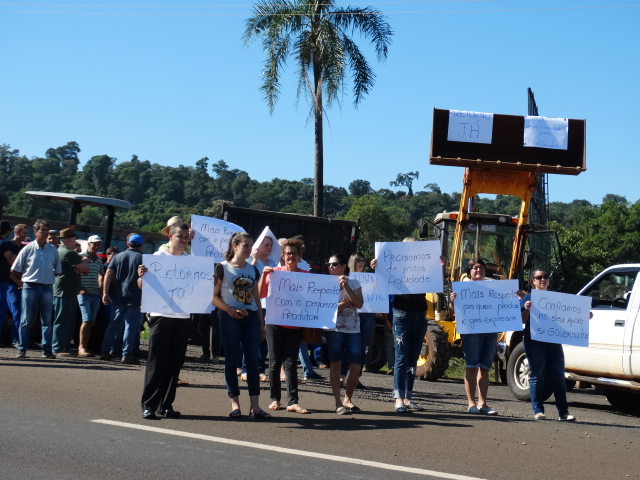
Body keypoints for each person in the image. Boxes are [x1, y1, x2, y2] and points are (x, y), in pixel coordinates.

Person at [140, 221, 193, 419]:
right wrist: (140, 276)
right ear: (170, 237)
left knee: (175, 363)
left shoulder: (191, 261)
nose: (184, 240)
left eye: (187, 237)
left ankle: (166, 404)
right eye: (180, 236)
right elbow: (141, 285)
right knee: (156, 362)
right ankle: (149, 405)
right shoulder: (157, 258)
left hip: (183, 316)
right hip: (161, 316)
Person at [213, 232, 269, 419]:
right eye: (246, 245)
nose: (249, 249)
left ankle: (256, 406)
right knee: (232, 359)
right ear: (235, 246)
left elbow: (256, 298)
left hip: (251, 317)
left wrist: (261, 324)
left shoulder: (253, 270)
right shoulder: (222, 268)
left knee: (253, 361)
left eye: (251, 246)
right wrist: (229, 310)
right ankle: (235, 404)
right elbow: (213, 297)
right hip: (229, 317)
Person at [259, 238, 309, 414]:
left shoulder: (306, 275)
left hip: (294, 325)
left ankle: (293, 401)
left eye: (294, 253)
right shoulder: (274, 273)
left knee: (290, 364)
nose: (291, 256)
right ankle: (275, 399)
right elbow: (260, 294)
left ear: (299, 256)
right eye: (288, 253)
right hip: (274, 323)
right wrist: (264, 275)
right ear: (283, 255)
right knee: (274, 362)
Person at [521, 268, 576, 422]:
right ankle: (538, 410)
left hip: (553, 343)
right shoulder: (528, 298)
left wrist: (584, 316)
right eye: (539, 277)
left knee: (558, 377)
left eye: (545, 277)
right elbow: (521, 321)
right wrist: (526, 310)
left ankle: (563, 413)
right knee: (538, 376)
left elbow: (568, 316)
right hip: (534, 343)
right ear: (533, 280)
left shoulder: (556, 299)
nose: (543, 279)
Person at [449, 258, 498, 415]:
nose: (479, 270)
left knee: (485, 367)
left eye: (481, 268)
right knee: (472, 365)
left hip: (490, 331)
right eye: (475, 268)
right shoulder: (462, 289)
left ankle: (483, 403)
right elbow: (452, 312)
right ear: (469, 271)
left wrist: (515, 297)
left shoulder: (493, 288)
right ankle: (471, 403)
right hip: (471, 331)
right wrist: (452, 302)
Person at [11, 219, 61, 359]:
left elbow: (57, 270)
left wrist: (46, 276)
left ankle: (47, 350)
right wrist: (26, 278)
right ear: (35, 232)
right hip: (30, 286)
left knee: (47, 320)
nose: (45, 233)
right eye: (42, 230)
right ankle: (22, 349)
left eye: (46, 230)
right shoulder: (27, 249)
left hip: (46, 287)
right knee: (26, 320)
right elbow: (15, 269)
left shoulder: (53, 250)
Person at [325, 254, 364, 414]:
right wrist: (347, 303)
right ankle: (337, 402)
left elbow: (360, 304)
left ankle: (348, 398)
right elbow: (328, 307)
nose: (330, 267)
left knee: (356, 367)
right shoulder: (325, 284)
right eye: (329, 264)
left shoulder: (354, 282)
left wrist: (347, 287)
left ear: (343, 267)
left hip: (353, 329)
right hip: (334, 330)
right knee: (335, 365)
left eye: (334, 264)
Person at [101, 233, 144, 364]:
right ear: (141, 246)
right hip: (135, 297)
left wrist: (105, 292)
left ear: (127, 243)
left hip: (118, 295)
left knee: (113, 324)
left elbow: (108, 273)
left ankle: (105, 351)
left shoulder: (118, 257)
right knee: (130, 326)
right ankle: (127, 354)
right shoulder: (141, 258)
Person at [52, 228, 89, 356]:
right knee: (63, 321)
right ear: (69, 239)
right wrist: (83, 263)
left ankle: (64, 346)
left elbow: (82, 268)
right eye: (74, 239)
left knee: (66, 320)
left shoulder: (63, 252)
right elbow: (85, 268)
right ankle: (58, 347)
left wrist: (80, 265)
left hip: (67, 291)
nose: (75, 242)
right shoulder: (67, 253)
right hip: (65, 291)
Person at [341, 253, 375, 379]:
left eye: (363, 261)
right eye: (358, 260)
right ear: (352, 262)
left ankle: (356, 378)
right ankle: (342, 375)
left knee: (361, 347)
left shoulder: (371, 277)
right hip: (352, 314)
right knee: (347, 346)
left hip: (367, 315)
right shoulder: (347, 278)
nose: (361, 263)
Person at [77, 235, 104, 357]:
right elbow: (75, 273)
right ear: (89, 244)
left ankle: (87, 346)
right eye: (94, 244)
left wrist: (100, 288)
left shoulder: (98, 259)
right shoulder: (81, 257)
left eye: (98, 244)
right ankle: (81, 347)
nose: (96, 247)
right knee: (86, 319)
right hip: (84, 294)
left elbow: (101, 274)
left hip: (95, 294)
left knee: (91, 321)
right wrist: (79, 288)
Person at [1, 224, 28, 346]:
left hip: (21, 283)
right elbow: (10, 268)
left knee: (22, 312)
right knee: (16, 311)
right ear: (16, 232)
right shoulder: (7, 246)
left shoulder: (24, 248)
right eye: (24, 233)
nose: (26, 235)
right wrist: (18, 281)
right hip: (12, 284)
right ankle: (15, 339)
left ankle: (18, 338)